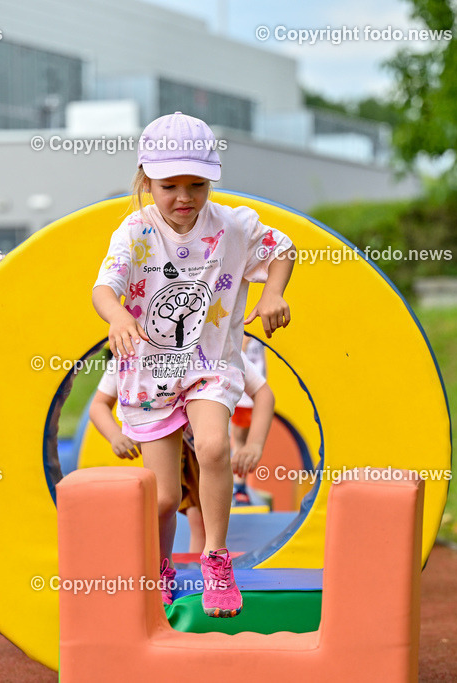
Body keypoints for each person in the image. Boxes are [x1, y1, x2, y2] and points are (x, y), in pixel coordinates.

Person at [92, 112, 295, 617]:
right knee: (162, 498)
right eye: (169, 186)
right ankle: (161, 568)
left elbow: (284, 249)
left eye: (197, 185)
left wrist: (272, 292)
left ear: (211, 181)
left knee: (211, 447)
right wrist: (117, 317)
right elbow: (104, 287)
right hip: (150, 371)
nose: (184, 197)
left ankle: (216, 557)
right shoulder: (135, 231)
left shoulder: (232, 226)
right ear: (146, 181)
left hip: (209, 362)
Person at [90, 350, 272, 564]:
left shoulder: (217, 342)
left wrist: (254, 444)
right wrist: (114, 435)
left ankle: (201, 571)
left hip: (202, 447)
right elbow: (98, 405)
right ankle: (159, 565)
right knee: (163, 502)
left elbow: (263, 393)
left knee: (202, 521)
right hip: (165, 441)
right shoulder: (132, 352)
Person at [231, 335, 269, 503]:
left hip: (250, 393)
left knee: (240, 441)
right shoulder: (244, 333)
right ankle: (238, 486)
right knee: (238, 441)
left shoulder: (256, 336)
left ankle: (239, 487)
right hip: (242, 394)